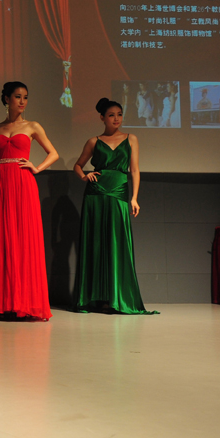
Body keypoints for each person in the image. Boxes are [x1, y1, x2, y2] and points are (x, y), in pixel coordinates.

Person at [0, 81, 58, 321]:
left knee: (23, 240)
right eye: (18, 97)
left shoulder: (32, 126)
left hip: (23, 185)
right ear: (7, 99)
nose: (22, 101)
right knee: (1, 241)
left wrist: (36, 167)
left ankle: (24, 303)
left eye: (25, 97)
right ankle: (2, 303)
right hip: (0, 187)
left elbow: (54, 153)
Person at [72, 99, 157, 315]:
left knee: (117, 243)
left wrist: (134, 198)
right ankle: (95, 298)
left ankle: (117, 297)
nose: (116, 118)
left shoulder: (131, 139)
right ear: (102, 118)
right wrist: (84, 176)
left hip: (119, 192)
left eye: (119, 114)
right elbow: (78, 165)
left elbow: (134, 170)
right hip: (95, 195)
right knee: (96, 244)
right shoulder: (93, 141)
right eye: (111, 115)